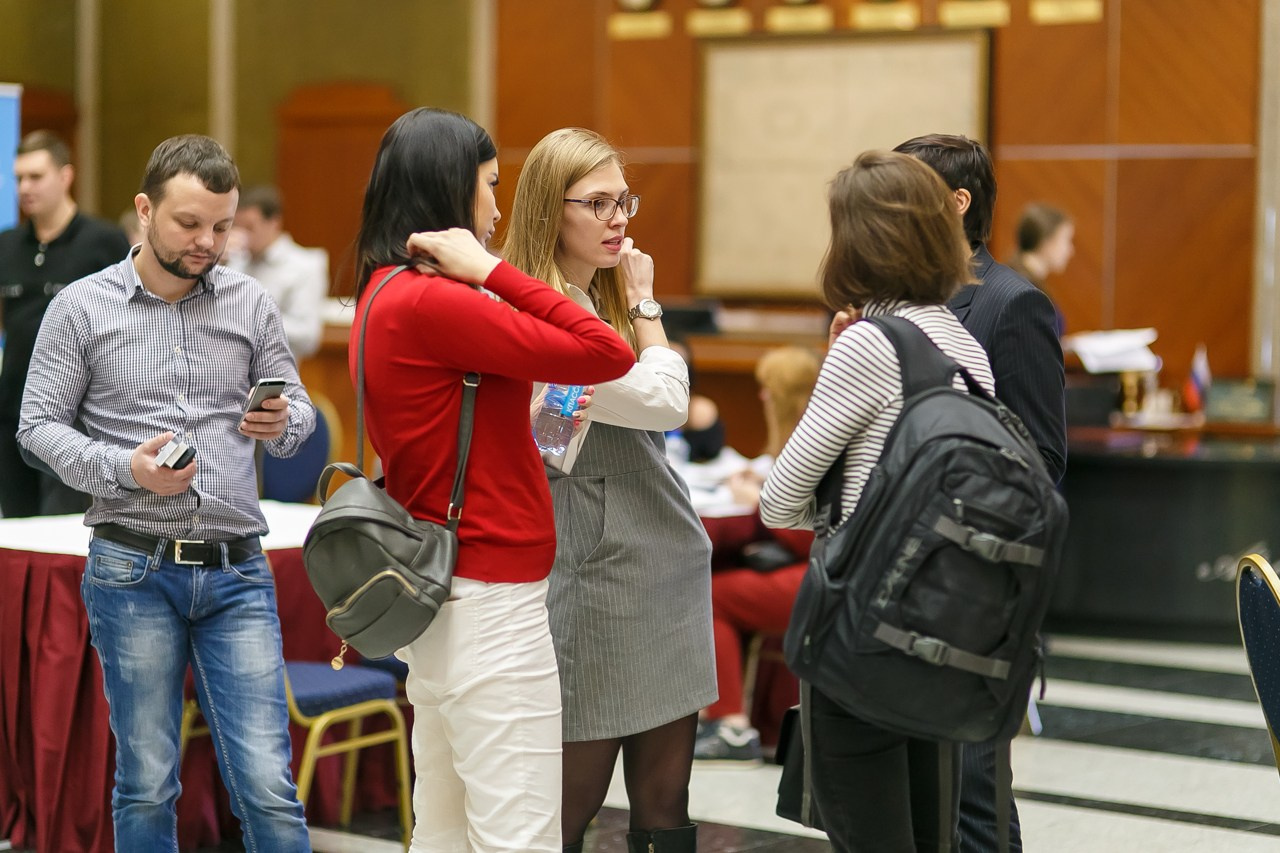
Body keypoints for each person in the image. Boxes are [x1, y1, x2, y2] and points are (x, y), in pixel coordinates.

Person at [17, 134, 315, 851]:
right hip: (131, 568)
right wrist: (127, 469)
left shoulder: (249, 302)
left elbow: (299, 415)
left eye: (222, 224)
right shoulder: (82, 308)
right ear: (145, 210)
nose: (208, 241)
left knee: (269, 786)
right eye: (190, 223)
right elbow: (37, 427)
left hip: (238, 569)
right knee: (149, 779)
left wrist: (282, 421)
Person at [352, 109, 634, 852]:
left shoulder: (381, 290)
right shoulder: (437, 299)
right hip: (491, 596)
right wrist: (490, 269)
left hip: (439, 590)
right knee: (519, 836)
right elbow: (604, 349)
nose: (498, 207)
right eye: (489, 186)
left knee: (444, 830)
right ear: (451, 191)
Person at [759, 150, 995, 853]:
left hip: (862, 628)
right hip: (945, 624)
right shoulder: (965, 345)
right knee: (929, 832)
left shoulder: (869, 345)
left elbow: (779, 499)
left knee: (869, 831)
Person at [502, 127, 715, 853]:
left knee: (665, 799)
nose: (619, 216)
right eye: (597, 202)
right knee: (568, 802)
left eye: (624, 198)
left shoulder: (593, 300)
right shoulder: (542, 312)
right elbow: (667, 397)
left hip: (661, 556)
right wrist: (648, 302)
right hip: (592, 564)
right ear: (546, 211)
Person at [895, 133, 1067, 852]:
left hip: (974, 595)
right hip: (902, 588)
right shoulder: (900, 301)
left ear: (957, 202)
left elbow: (1038, 461)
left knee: (973, 802)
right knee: (915, 799)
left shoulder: (1011, 304)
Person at [694, 345, 820, 764]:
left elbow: (808, 537)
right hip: (811, 570)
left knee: (713, 596)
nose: (761, 398)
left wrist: (758, 499)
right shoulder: (804, 435)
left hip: (818, 573)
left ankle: (730, 724)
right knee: (725, 580)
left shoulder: (813, 437)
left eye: (769, 389)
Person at [0, 130, 130, 518]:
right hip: (12, 412)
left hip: (75, 420)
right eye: (19, 178)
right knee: (17, 535)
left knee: (63, 532)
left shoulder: (103, 241)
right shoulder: (7, 245)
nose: (25, 187)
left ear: (65, 176)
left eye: (36, 177)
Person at [226, 184, 328, 359]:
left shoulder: (305, 265)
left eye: (250, 227)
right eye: (236, 227)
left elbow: (308, 336)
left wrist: (253, 318)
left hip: (277, 375)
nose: (243, 235)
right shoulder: (233, 262)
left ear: (274, 223)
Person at [1008, 201, 1074, 335]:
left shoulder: (1020, 279)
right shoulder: (1023, 290)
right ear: (1046, 242)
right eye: (1066, 240)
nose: (1070, 250)